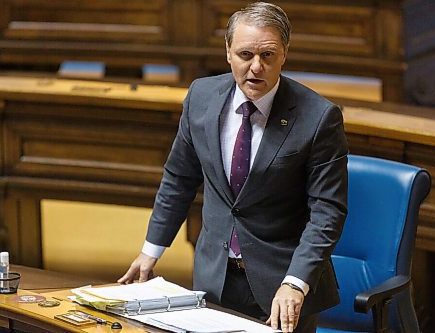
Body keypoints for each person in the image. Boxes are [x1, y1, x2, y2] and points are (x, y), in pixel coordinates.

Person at [118, 2, 348, 332]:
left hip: (283, 288)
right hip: (215, 278)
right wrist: (150, 250)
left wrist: (296, 282)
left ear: (285, 53)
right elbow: (179, 178)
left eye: (268, 56)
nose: (256, 67)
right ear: (227, 52)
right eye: (245, 55)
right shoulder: (201, 95)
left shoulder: (318, 118)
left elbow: (327, 210)